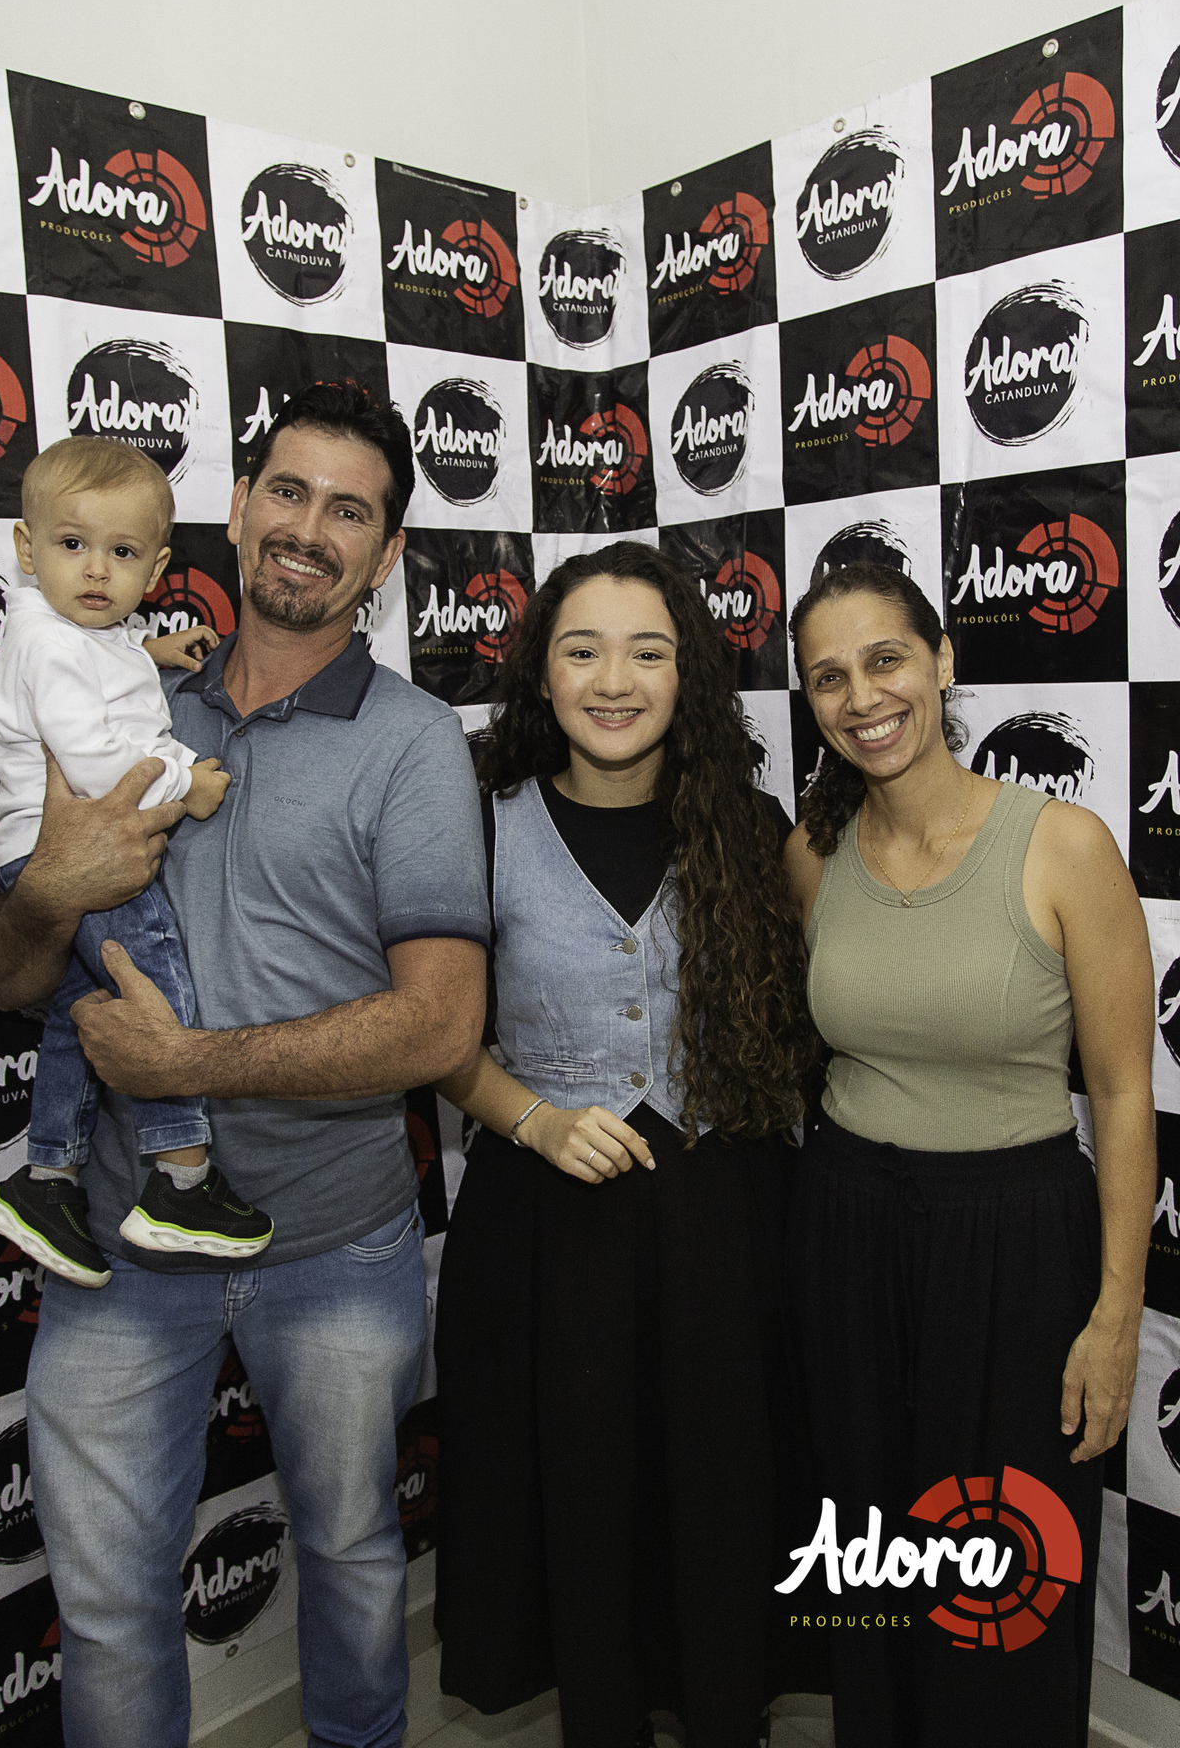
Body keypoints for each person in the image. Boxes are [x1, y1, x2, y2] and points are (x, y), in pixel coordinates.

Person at [0, 382, 489, 1748]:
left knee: (355, 1560)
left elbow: (441, 1028)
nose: (309, 528)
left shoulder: (414, 743)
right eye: (288, 490)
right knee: (104, 1605)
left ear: (387, 556)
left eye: (350, 511)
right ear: (238, 505)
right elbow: (9, 979)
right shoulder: (119, 698)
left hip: (334, 1243)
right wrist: (50, 888)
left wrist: (182, 1061)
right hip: (117, 1251)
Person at [432, 541, 824, 1748]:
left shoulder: (755, 828)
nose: (614, 680)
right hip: (551, 1228)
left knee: (723, 1497)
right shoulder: (475, 823)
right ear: (541, 674)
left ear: (687, 673)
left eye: (648, 652)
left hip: (725, 1224)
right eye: (583, 650)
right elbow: (426, 1032)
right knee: (582, 1502)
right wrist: (533, 1117)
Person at [779, 560, 1155, 1748]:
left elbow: (1124, 1096)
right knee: (872, 1558)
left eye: (886, 659)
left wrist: (1114, 1320)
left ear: (943, 661)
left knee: (1004, 1575)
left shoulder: (1064, 846)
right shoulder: (813, 854)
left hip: (1015, 1245)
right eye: (828, 677)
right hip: (846, 1227)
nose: (862, 698)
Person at [0, 436, 274, 1285]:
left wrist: (152, 652)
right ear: (26, 548)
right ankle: (180, 1178)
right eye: (72, 544)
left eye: (121, 553)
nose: (95, 570)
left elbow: (91, 672)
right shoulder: (48, 642)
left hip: (35, 850)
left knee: (82, 1016)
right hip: (75, 851)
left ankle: (47, 1180)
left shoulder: (73, 634)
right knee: (155, 985)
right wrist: (188, 784)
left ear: (156, 570)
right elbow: (96, 760)